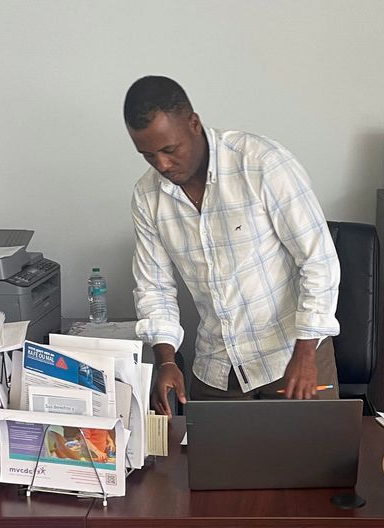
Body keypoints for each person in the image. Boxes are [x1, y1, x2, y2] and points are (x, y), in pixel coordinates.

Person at [124, 76, 340, 417]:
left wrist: (306, 353)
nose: (162, 165)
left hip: (293, 356)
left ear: (193, 124)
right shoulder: (147, 196)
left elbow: (318, 260)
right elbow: (154, 288)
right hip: (217, 366)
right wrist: (166, 360)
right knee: (214, 469)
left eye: (169, 149)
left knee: (313, 468)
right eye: (148, 155)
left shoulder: (262, 163)